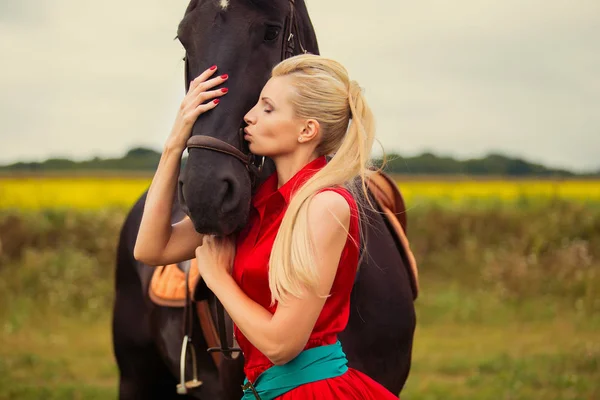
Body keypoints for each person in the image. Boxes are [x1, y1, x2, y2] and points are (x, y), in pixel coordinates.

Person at [134, 54, 399, 399]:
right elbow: (152, 249)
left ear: (307, 130)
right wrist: (173, 145)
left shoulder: (325, 205)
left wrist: (216, 277)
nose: (249, 116)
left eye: (268, 108)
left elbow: (281, 344)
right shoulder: (255, 200)